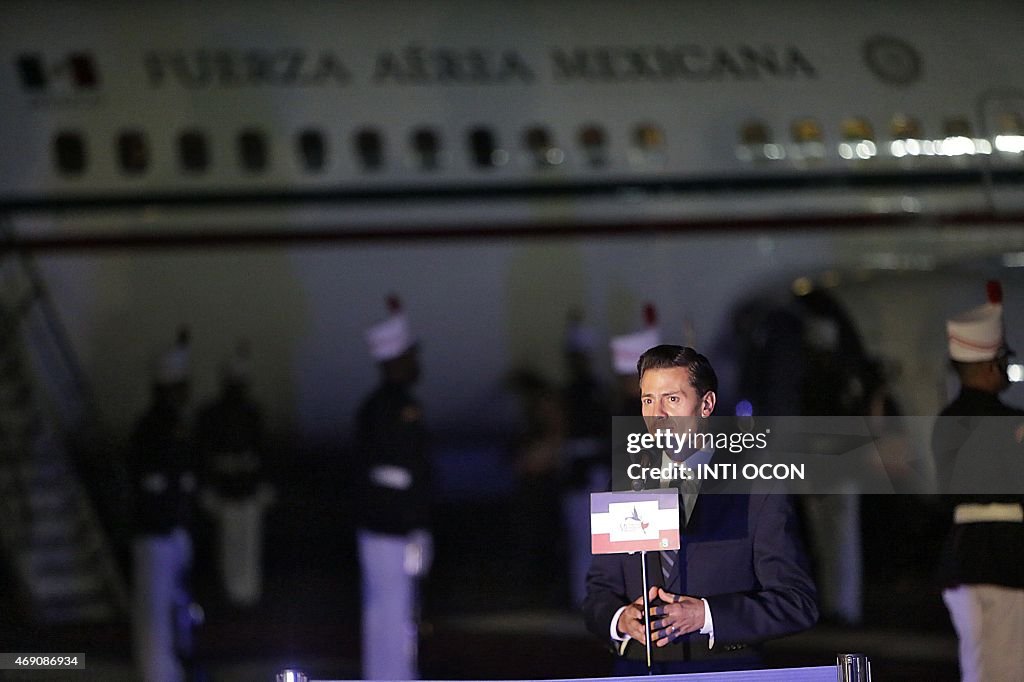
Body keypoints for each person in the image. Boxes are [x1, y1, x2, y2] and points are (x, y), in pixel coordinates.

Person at [583, 344, 818, 674]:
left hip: (724, 669)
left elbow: (798, 603)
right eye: (648, 400)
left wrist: (705, 615)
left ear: (706, 404)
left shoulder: (757, 488)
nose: (657, 414)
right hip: (636, 669)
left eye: (672, 399)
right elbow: (598, 593)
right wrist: (619, 620)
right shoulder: (625, 482)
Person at [932, 281, 1024, 682]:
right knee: (1003, 668)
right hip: (1005, 555)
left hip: (963, 553)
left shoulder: (946, 423)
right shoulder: (1011, 424)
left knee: (982, 663)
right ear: (989, 366)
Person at [355, 296, 433, 680]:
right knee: (388, 614)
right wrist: (412, 524)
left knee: (396, 613)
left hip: (396, 528)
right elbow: (394, 476)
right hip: (388, 529)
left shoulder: (391, 405)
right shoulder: (384, 409)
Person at [130, 328, 199, 682]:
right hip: (156, 534)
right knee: (155, 612)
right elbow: (152, 486)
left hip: (172, 532)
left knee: (173, 609)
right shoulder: (152, 429)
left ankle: (173, 668)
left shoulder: (175, 426)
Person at [196, 340, 272, 608]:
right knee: (232, 551)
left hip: (242, 492)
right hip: (229, 493)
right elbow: (205, 453)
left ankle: (244, 597)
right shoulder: (215, 414)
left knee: (245, 551)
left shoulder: (250, 413)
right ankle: (233, 597)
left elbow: (261, 452)